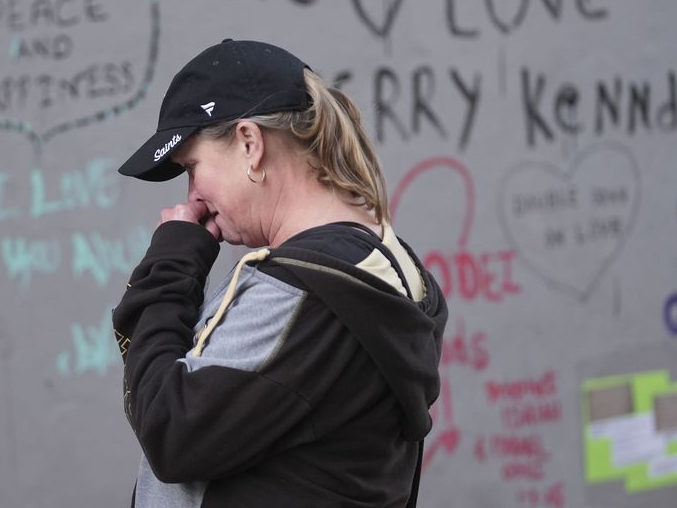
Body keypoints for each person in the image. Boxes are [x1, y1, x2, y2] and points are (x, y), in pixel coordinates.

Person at [112, 38, 447, 508]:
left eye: (192, 166)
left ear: (250, 143)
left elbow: (170, 428)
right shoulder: (384, 263)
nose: (193, 197)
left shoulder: (300, 292)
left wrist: (170, 267)